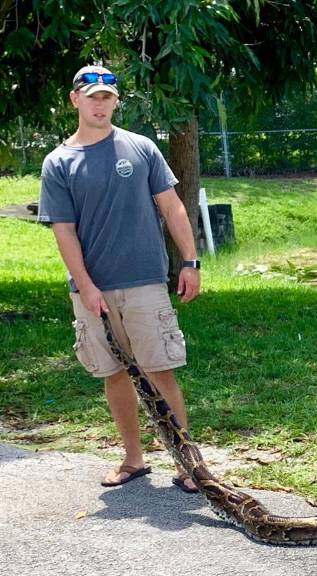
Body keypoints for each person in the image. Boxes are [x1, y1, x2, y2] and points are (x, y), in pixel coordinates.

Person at [38, 64, 202, 493]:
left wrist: (190, 261)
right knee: (114, 374)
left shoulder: (141, 147)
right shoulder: (59, 162)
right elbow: (64, 231)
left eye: (107, 97)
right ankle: (134, 459)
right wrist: (87, 287)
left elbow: (173, 208)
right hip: (92, 290)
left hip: (146, 282)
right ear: (75, 100)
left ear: (116, 101)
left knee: (159, 370)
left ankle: (188, 463)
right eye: (91, 96)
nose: (100, 103)